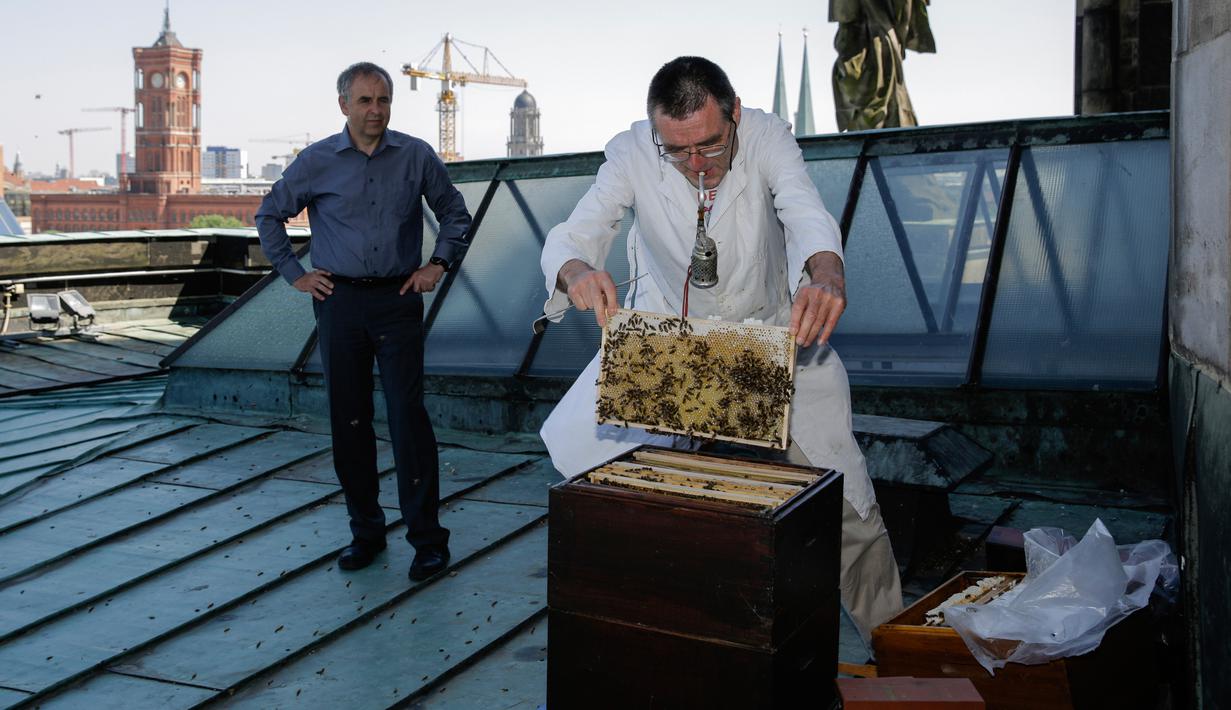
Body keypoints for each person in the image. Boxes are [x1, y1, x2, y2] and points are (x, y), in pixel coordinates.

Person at [538, 56, 903, 643]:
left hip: (773, 341)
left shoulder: (767, 136)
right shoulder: (632, 152)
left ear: (734, 114)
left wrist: (827, 272)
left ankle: (895, 648)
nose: (696, 165)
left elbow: (804, 211)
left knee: (848, 507)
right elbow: (574, 234)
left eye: (709, 145)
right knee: (621, 496)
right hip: (675, 350)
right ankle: (669, 639)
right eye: (677, 151)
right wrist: (576, 269)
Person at [256, 61, 471, 583]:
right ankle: (366, 533)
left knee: (407, 419)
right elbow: (268, 215)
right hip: (340, 303)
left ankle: (427, 542)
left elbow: (455, 214)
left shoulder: (416, 155)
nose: (376, 110)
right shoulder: (316, 161)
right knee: (349, 420)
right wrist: (295, 274)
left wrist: (437, 265)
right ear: (343, 105)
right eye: (365, 101)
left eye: (384, 100)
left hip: (398, 299)